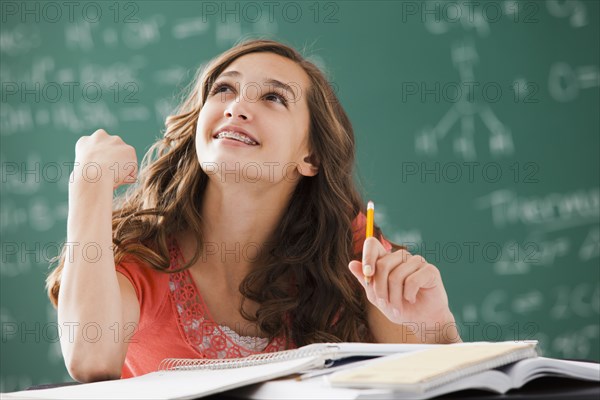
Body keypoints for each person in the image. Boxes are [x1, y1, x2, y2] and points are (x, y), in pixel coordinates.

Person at [46, 38, 461, 383]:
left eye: (273, 97)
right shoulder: (143, 256)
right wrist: (87, 184)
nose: (237, 106)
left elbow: (434, 385)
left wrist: (437, 329)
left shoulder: (349, 250)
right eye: (224, 89)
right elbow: (90, 359)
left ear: (310, 156)